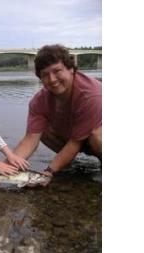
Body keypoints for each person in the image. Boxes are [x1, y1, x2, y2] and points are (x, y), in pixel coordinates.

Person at [13, 44, 102, 179]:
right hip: (78, 137)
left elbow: (75, 142)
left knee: (98, 135)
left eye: (57, 71)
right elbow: (30, 139)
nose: (52, 79)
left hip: (95, 138)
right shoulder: (39, 101)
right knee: (41, 130)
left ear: (71, 69)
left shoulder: (91, 95)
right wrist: (5, 168)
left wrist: (49, 171)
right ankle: (67, 160)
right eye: (45, 75)